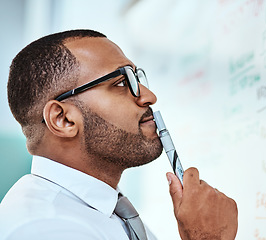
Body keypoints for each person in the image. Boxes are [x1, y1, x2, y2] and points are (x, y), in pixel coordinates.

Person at [0, 29, 238, 240]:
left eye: (137, 78)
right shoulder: (43, 229)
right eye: (121, 83)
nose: (148, 96)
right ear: (63, 119)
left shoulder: (115, 215)